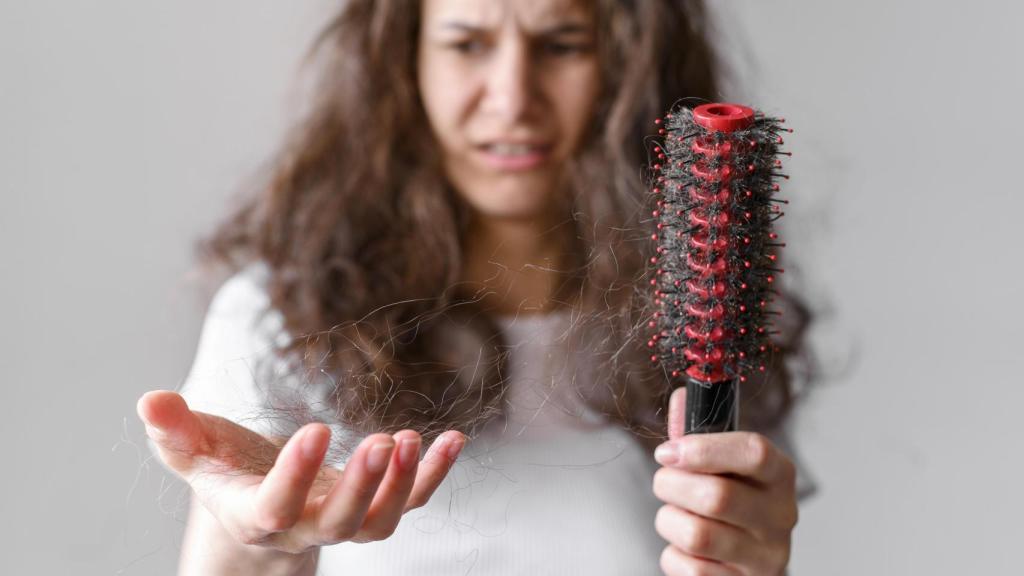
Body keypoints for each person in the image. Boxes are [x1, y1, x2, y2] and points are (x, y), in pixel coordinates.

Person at [137, 0, 814, 574]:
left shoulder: (709, 323)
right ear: (406, 63)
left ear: (627, 64)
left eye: (561, 44)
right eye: (467, 45)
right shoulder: (280, 317)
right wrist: (254, 536)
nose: (512, 98)